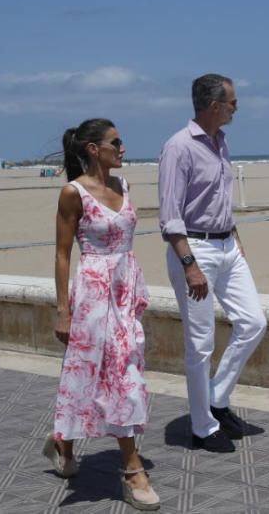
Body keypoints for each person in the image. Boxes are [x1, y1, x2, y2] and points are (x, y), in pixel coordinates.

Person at [46, 118, 160, 510]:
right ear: (94, 149)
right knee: (114, 374)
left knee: (108, 370)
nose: (123, 148)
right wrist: (64, 310)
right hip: (94, 291)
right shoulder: (73, 192)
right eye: (116, 141)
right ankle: (132, 469)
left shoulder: (123, 185)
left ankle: (62, 441)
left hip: (126, 287)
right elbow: (62, 254)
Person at [158, 74, 267, 453]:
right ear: (214, 105)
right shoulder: (178, 147)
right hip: (194, 250)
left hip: (227, 246)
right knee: (200, 345)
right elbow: (170, 216)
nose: (237, 107)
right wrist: (189, 264)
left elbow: (216, 197)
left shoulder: (221, 142)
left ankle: (217, 400)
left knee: (254, 322)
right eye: (233, 102)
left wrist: (233, 233)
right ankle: (202, 427)